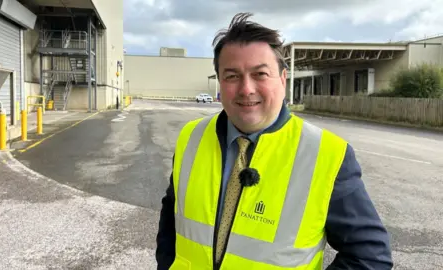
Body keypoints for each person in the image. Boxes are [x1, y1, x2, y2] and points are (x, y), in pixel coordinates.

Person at [156, 12, 393, 270]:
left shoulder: (327, 154)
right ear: (220, 83)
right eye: (232, 76)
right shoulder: (192, 136)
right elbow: (172, 215)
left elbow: (370, 257)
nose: (246, 89)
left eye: (260, 74)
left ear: (282, 79)